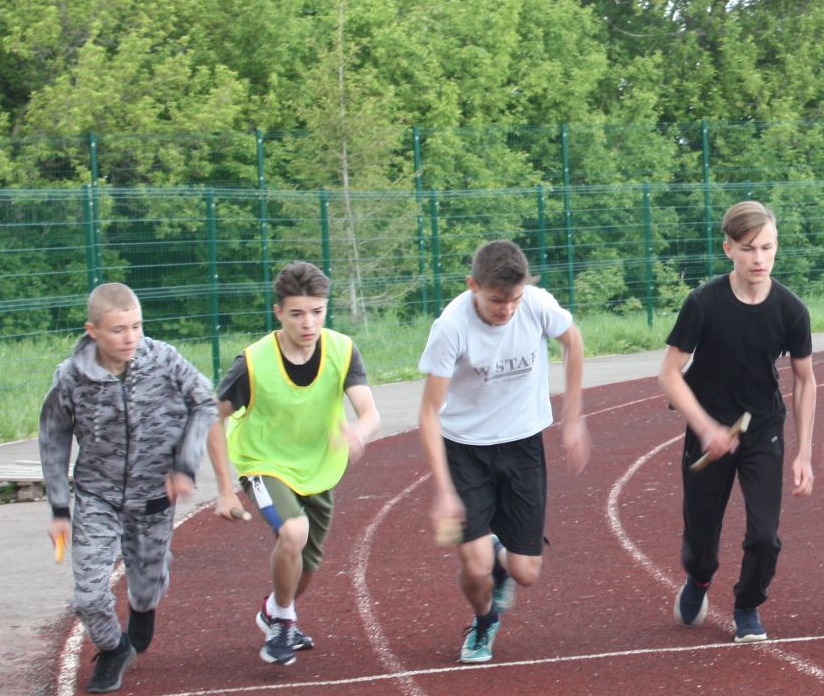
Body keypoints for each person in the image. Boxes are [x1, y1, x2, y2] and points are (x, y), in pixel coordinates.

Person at [39, 283, 217, 694]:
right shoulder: (70, 379)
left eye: (136, 326)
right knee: (87, 595)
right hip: (97, 496)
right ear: (93, 331)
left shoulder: (164, 361)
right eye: (119, 330)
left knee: (147, 582)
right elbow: (53, 437)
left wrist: (185, 465)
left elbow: (204, 403)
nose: (130, 337)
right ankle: (113, 648)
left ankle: (143, 605)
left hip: (154, 494)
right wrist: (60, 509)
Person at [417, 240, 590, 664]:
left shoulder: (536, 304)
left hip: (522, 445)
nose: (507, 309)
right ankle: (484, 620)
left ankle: (501, 557)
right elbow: (426, 413)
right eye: (497, 300)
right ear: (473, 285)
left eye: (513, 299)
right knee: (474, 570)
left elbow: (574, 342)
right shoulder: (450, 327)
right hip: (465, 450)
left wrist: (572, 417)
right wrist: (443, 491)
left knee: (525, 573)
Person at [208, 262, 381, 665]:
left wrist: (359, 432)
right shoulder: (252, 362)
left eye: (317, 312)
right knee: (294, 531)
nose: (309, 323)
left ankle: (274, 608)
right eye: (297, 313)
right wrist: (222, 488)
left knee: (305, 566)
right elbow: (211, 418)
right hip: (263, 462)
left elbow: (369, 411)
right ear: (278, 312)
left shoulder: (341, 349)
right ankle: (284, 621)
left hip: (318, 468)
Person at [662, 201, 817, 642]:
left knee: (765, 535)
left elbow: (805, 381)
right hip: (708, 428)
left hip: (762, 428)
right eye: (748, 249)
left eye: (767, 248)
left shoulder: (791, 310)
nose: (759, 259)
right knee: (702, 544)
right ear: (728, 248)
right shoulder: (703, 304)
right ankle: (699, 579)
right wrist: (705, 427)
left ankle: (747, 604)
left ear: (776, 248)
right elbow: (669, 374)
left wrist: (804, 451)